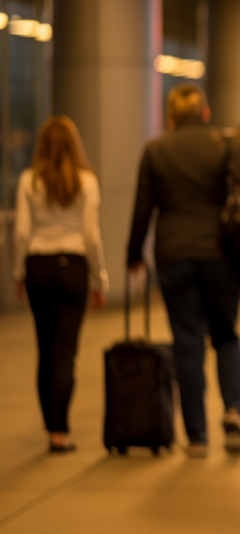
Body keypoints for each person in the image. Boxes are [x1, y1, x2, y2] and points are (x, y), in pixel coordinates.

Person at [126, 83, 240, 458]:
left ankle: (197, 436)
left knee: (187, 343)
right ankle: (234, 411)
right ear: (205, 113)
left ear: (170, 117)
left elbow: (143, 207)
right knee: (225, 335)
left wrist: (133, 253)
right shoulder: (225, 143)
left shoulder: (155, 150)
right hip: (221, 253)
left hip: (173, 254)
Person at [13, 116, 108, 453]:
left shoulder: (28, 181)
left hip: (38, 265)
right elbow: (91, 235)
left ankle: (49, 420)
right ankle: (60, 429)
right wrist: (100, 278)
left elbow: (22, 232)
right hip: (73, 267)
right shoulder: (87, 181)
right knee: (65, 353)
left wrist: (18, 273)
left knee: (45, 348)